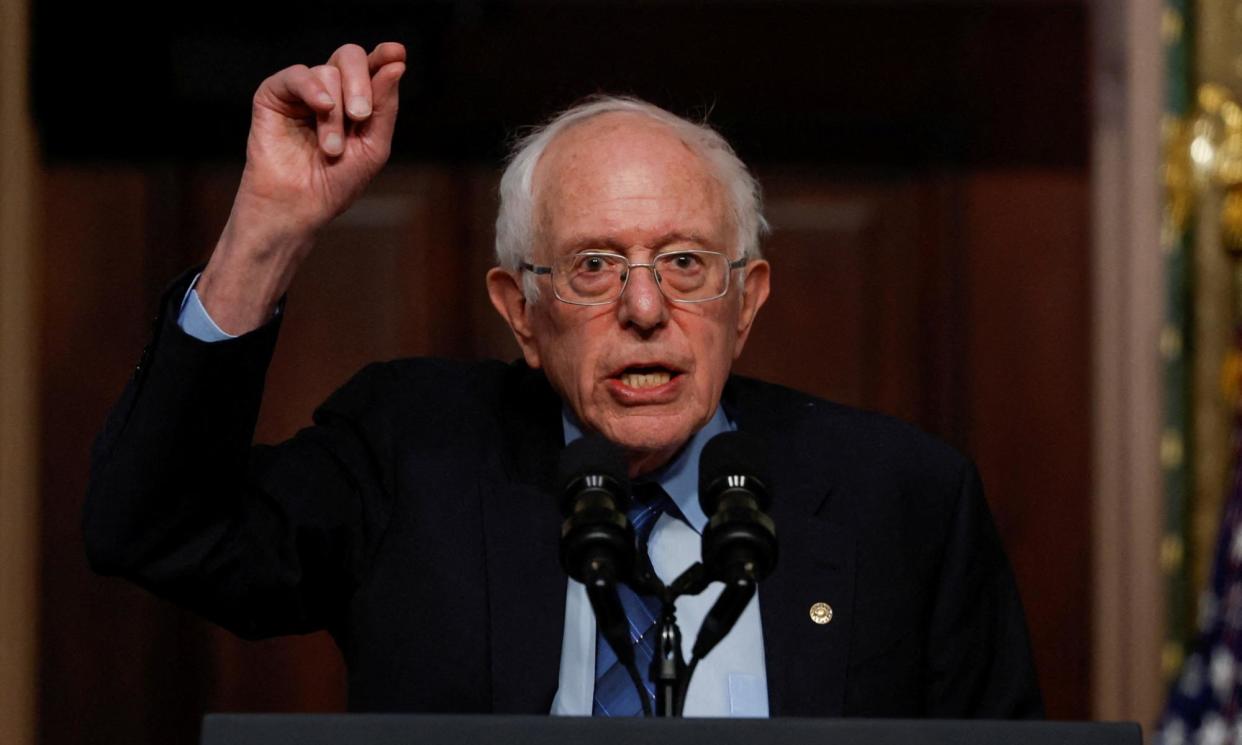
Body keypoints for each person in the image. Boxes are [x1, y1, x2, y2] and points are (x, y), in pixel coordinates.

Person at [83, 42, 1043, 718]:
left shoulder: (902, 501)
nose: (643, 308)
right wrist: (267, 230)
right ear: (519, 311)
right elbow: (156, 526)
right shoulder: (413, 455)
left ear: (746, 302)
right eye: (592, 266)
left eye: (684, 263)